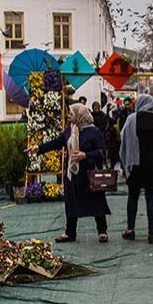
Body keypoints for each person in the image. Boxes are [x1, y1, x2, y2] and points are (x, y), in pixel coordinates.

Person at [28, 103, 111, 243]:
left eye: (71, 114)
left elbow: (103, 152)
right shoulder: (70, 131)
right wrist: (39, 148)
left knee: (96, 202)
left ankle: (102, 231)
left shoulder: (94, 132)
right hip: (72, 175)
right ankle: (70, 232)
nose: (69, 116)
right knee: (71, 202)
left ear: (80, 116)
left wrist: (85, 155)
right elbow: (56, 142)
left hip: (89, 175)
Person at [120, 94, 153, 243]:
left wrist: (125, 163)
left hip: (135, 165)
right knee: (152, 198)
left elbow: (123, 140)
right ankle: (151, 233)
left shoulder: (131, 120)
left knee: (133, 197)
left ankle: (130, 229)